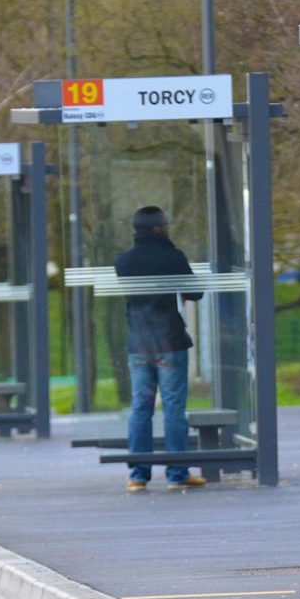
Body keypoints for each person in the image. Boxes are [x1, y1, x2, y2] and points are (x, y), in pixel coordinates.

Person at [114, 206, 206, 493]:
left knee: (140, 407)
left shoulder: (124, 261)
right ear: (157, 227)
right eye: (165, 223)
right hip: (170, 342)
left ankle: (137, 476)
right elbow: (196, 292)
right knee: (173, 407)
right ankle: (177, 474)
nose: (168, 227)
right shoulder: (173, 257)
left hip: (139, 344)